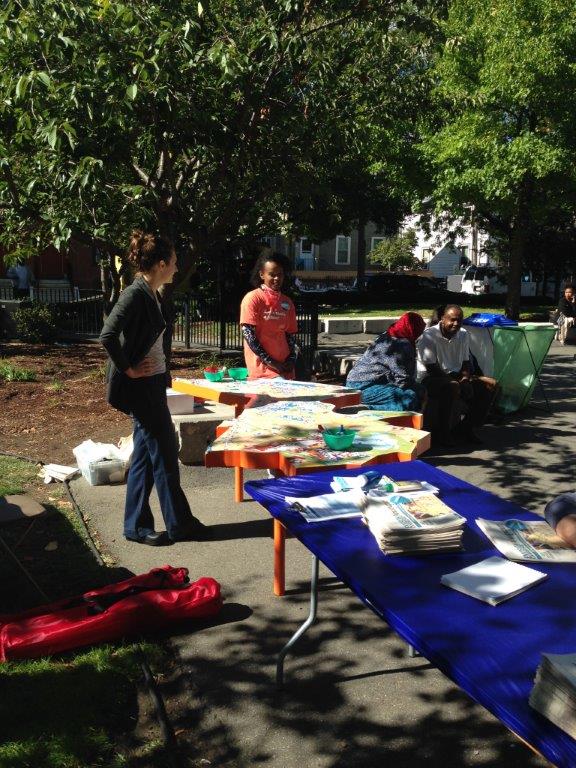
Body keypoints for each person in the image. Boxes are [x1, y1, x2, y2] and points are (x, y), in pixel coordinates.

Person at [100, 231, 208, 546]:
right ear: (160, 264)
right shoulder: (135, 293)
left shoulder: (153, 293)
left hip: (152, 385)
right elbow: (107, 334)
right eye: (173, 262)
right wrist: (128, 369)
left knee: (147, 459)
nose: (176, 268)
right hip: (141, 389)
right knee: (164, 457)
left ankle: (135, 525)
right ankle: (180, 525)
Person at [417, 304, 499, 446]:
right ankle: (444, 433)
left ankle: (466, 428)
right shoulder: (429, 336)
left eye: (459, 320)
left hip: (454, 375)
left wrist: (466, 379)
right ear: (443, 319)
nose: (456, 324)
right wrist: (459, 383)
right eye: (452, 320)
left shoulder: (463, 334)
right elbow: (432, 368)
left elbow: (466, 361)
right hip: (430, 377)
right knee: (452, 386)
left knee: (491, 384)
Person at [345, 312, 426, 411]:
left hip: (354, 382)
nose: (420, 334)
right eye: (420, 330)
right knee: (410, 398)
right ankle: (366, 410)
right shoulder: (402, 344)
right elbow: (403, 381)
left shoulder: (387, 334)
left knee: (417, 391)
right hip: (364, 387)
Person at [240, 252, 298, 380]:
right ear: (262, 274)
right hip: (263, 369)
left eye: (280, 275)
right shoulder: (253, 298)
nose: (277, 278)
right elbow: (248, 334)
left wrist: (292, 359)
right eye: (272, 274)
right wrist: (271, 362)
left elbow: (290, 335)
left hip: (285, 368)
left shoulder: (287, 302)